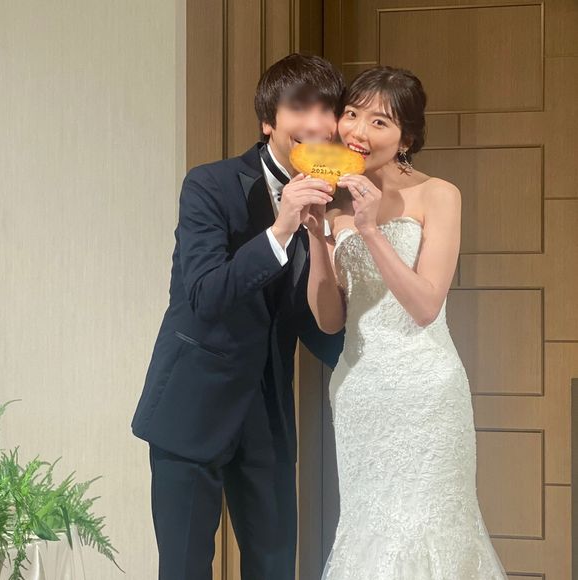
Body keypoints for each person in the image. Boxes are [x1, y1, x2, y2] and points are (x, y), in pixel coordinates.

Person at [130, 53, 346, 580]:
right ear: (268, 121)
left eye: (328, 109)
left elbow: (318, 326)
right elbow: (205, 295)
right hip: (192, 405)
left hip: (269, 414)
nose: (317, 122)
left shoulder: (336, 201)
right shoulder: (209, 185)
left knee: (274, 568)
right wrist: (282, 227)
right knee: (184, 569)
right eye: (300, 108)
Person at [303, 65, 509, 579]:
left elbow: (425, 306)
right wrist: (314, 235)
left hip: (425, 390)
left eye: (380, 122)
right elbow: (329, 321)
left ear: (406, 139)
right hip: (359, 389)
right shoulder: (332, 199)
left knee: (432, 527)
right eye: (352, 115)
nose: (358, 131)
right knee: (368, 528)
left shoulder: (439, 194)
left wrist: (370, 230)